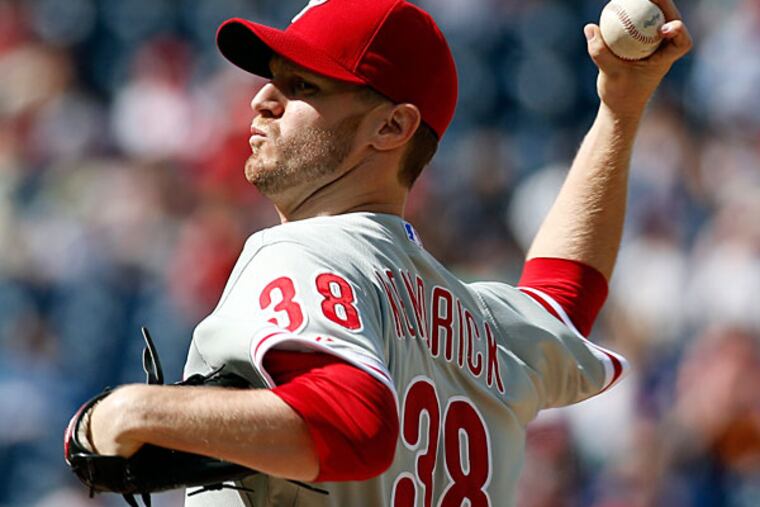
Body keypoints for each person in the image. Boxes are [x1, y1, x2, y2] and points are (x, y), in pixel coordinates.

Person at [77, 0, 692, 505]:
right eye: (272, 80)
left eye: (300, 86)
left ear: (392, 129)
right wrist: (619, 108)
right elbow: (560, 304)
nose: (263, 100)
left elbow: (353, 426)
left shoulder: (304, 251)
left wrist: (129, 410)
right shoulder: (472, 319)